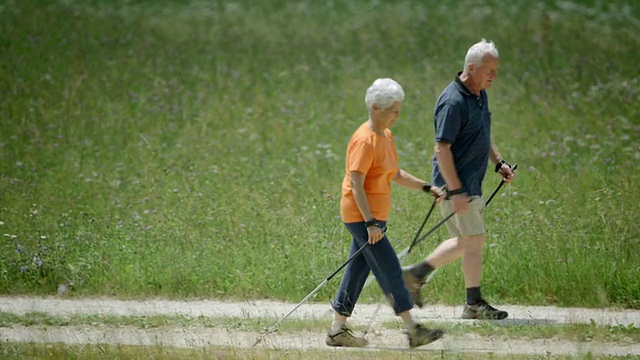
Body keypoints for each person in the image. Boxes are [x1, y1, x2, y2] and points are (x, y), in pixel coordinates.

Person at [325, 78, 445, 348]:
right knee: (390, 269)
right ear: (376, 108)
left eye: (398, 110)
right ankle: (413, 330)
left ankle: (337, 331)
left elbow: (395, 174)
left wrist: (428, 187)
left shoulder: (385, 136)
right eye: (393, 110)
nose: (397, 116)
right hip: (361, 216)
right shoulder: (364, 141)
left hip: (373, 218)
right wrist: (369, 223)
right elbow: (356, 184)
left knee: (356, 270)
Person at [402, 39, 516, 320]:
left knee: (465, 242)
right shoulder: (453, 101)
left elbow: (482, 133)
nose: (494, 75)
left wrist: (498, 162)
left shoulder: (479, 94)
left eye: (496, 70)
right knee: (474, 241)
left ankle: (414, 276)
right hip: (457, 186)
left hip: (470, 184)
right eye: (489, 69)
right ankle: (472, 303)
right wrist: (456, 190)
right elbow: (441, 148)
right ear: (472, 67)